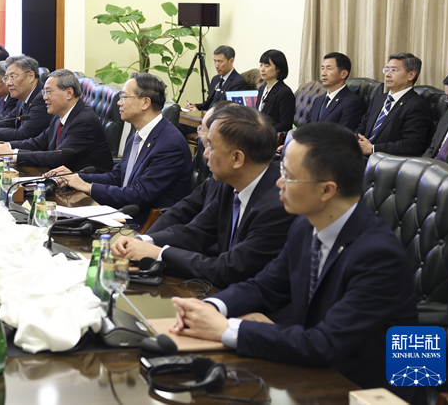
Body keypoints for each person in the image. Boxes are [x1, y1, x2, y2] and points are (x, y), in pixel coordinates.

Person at [170, 122, 419, 402]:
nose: (278, 182)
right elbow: (264, 286)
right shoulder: (305, 226)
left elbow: (324, 343)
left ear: (327, 190)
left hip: (366, 390)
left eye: (288, 176)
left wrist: (225, 329)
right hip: (313, 376)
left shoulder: (378, 255)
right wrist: (210, 307)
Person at [111, 105, 296, 289]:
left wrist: (158, 254)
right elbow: (195, 232)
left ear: (237, 158)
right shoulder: (229, 186)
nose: (205, 154)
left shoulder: (277, 205)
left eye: (211, 147)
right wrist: (143, 242)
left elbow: (230, 269)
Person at [46, 73, 192, 224]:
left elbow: (139, 194)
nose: (118, 103)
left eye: (124, 97)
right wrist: (75, 177)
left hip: (148, 224)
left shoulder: (170, 145)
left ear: (145, 103)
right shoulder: (137, 135)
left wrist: (88, 187)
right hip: (123, 212)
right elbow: (117, 178)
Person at [0, 69, 113, 173]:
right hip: (60, 179)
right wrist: (6, 147)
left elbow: (56, 157)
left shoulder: (84, 121)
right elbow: (38, 142)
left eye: (48, 92)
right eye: (44, 92)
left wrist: (13, 154)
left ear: (69, 93)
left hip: (87, 190)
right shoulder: (59, 114)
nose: (44, 97)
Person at [355, 52, 432, 156]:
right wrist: (354, 140)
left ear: (411, 75)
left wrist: (374, 149)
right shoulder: (378, 99)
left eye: (394, 70)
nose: (387, 74)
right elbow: (363, 126)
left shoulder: (416, 105)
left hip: (388, 162)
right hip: (361, 157)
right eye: (386, 69)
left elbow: (412, 144)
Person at [0, 55, 54, 141]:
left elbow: (22, 134)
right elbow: (7, 121)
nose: (8, 83)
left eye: (13, 76)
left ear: (30, 76)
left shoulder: (42, 99)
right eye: (6, 78)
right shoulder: (23, 97)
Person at [305, 52, 364, 131]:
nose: (323, 73)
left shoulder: (352, 102)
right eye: (323, 68)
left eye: (329, 69)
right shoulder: (318, 100)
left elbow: (343, 135)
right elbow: (307, 129)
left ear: (343, 74)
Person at [184, 45, 247, 111]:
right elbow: (209, 103)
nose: (216, 65)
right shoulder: (215, 79)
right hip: (208, 114)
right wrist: (194, 106)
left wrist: (199, 113)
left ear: (231, 61)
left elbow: (228, 111)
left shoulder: (238, 82)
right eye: (215, 61)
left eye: (220, 61)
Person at [256, 49, 295, 133]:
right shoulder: (262, 89)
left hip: (271, 137)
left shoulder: (285, 92)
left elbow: (285, 124)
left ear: (278, 68)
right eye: (261, 65)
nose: (262, 69)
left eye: (267, 66)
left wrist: (264, 132)